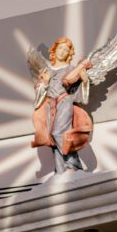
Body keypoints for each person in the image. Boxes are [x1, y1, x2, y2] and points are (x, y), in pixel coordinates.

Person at [31, 36, 92, 173]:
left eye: (66, 49)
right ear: (54, 49)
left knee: (59, 133)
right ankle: (60, 171)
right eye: (60, 48)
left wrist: (85, 80)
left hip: (65, 102)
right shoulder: (46, 70)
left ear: (69, 53)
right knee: (52, 137)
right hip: (50, 106)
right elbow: (39, 93)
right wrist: (45, 82)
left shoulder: (71, 69)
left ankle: (74, 165)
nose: (62, 51)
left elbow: (79, 91)